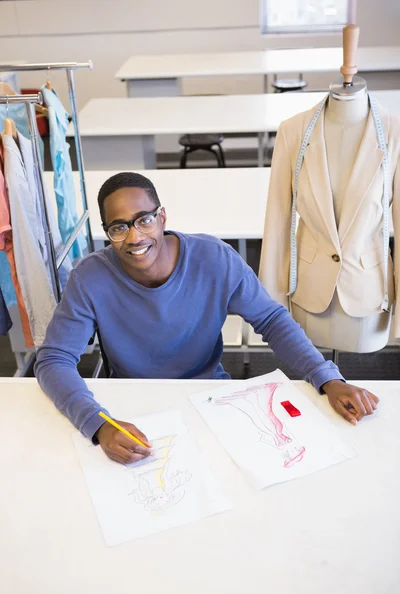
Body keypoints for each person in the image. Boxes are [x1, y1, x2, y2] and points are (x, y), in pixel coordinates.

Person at [35, 172, 379, 465]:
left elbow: (272, 320)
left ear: (163, 217)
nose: (135, 236)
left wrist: (326, 377)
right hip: (132, 403)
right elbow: (53, 359)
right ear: (107, 231)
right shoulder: (90, 277)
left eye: (144, 219)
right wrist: (96, 423)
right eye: (119, 227)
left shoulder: (213, 257)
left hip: (210, 394)